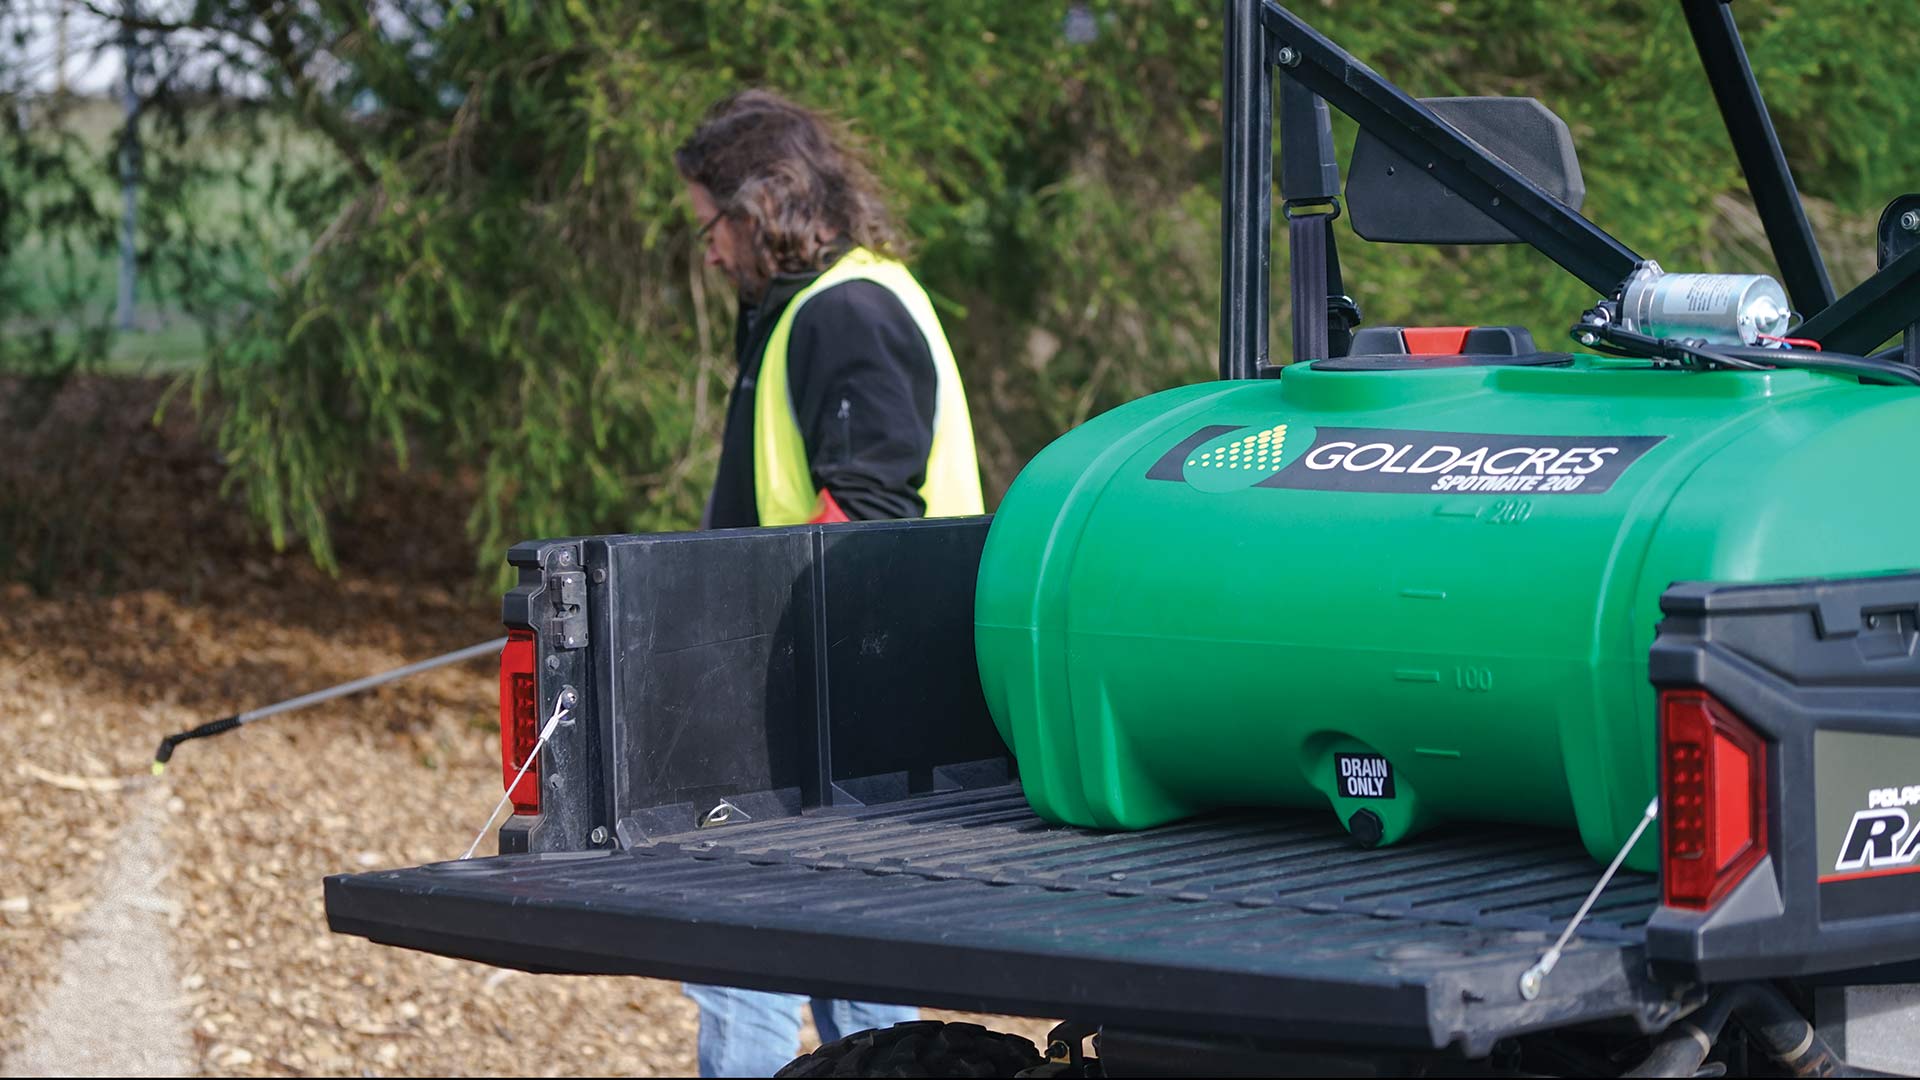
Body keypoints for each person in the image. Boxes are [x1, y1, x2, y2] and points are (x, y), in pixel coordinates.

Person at [673, 90, 984, 1076]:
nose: (710, 253)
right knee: (852, 972)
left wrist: (731, 642)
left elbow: (870, 513)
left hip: (833, 708)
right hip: (846, 709)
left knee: (746, 959)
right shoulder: (822, 305)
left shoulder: (846, 311)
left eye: (711, 226)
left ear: (760, 206)